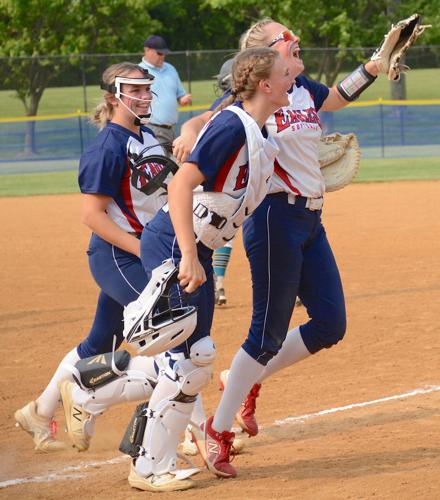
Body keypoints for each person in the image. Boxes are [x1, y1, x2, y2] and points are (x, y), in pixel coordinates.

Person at [176, 18, 383, 478]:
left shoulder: (299, 87)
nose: (295, 40)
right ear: (266, 55)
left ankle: (240, 379)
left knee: (330, 322)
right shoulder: (257, 92)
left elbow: (337, 95)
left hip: (311, 218)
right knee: (265, 335)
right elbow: (212, 118)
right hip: (274, 219)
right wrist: (190, 128)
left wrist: (372, 66)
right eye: (285, 39)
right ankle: (218, 430)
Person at [123, 46, 292, 492]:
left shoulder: (257, 130)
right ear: (265, 84)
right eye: (284, 73)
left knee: (191, 359)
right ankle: (147, 467)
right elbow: (180, 185)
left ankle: (96, 387)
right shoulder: (234, 126)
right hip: (177, 242)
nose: (292, 78)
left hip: (191, 244)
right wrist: (190, 256)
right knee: (190, 361)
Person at [13, 62, 170, 453]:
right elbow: (91, 215)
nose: (145, 96)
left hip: (140, 250)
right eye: (135, 91)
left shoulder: (146, 136)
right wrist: (143, 250)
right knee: (171, 335)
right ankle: (175, 432)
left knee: (100, 342)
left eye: (147, 89)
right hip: (120, 254)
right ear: (114, 97)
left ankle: (39, 411)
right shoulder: (107, 147)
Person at [139, 35, 192, 156]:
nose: (162, 56)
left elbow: (180, 95)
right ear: (147, 50)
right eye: (159, 53)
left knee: (175, 166)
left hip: (171, 130)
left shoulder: (170, 68)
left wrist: (183, 99)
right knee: (158, 169)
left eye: (164, 53)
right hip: (151, 129)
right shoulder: (139, 71)